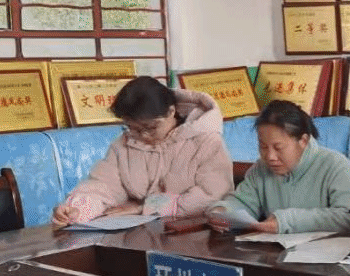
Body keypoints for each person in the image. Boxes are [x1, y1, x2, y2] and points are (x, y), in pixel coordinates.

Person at [51, 76, 232, 225]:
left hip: (191, 233)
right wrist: (77, 209)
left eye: (151, 127)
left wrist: (145, 208)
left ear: (171, 111)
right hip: (138, 233)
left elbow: (212, 196)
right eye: (133, 128)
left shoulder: (206, 142)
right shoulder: (123, 145)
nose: (143, 135)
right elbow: (103, 185)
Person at [208, 100, 350, 235]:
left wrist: (286, 221)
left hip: (325, 254)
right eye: (263, 147)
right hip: (273, 252)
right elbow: (244, 202)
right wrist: (223, 212)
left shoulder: (335, 165)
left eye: (278, 147)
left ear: (303, 141)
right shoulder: (260, 169)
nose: (270, 156)